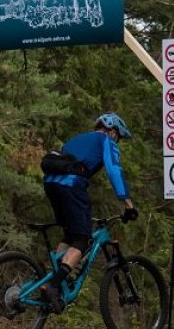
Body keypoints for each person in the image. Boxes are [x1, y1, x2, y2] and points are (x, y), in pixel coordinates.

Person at [42, 111, 138, 311]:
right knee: (82, 239)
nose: (117, 141)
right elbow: (114, 170)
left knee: (70, 235)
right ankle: (54, 284)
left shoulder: (77, 139)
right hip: (71, 185)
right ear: (112, 132)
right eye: (118, 137)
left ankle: (53, 280)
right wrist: (128, 204)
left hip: (51, 184)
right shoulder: (106, 141)